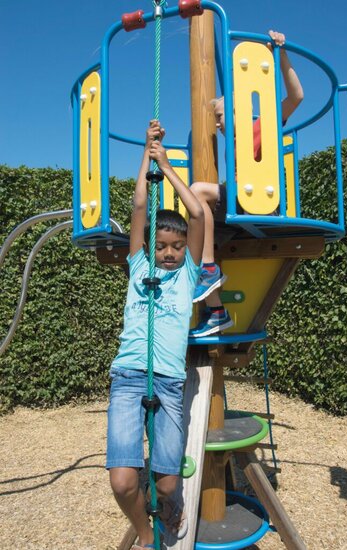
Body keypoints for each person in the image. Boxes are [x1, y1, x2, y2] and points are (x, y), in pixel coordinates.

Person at [106, 120, 204, 549]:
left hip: (167, 380)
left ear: (185, 250)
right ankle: (148, 536)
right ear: (150, 244)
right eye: (161, 245)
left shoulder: (187, 276)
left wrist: (167, 164)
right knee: (124, 482)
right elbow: (139, 208)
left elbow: (197, 214)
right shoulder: (139, 267)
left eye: (176, 247)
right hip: (128, 378)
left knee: (166, 487)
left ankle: (170, 508)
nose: (168, 253)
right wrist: (147, 153)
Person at [189, 30, 304, 338]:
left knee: (198, 191)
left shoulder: (260, 127)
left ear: (239, 112)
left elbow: (296, 97)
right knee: (197, 239)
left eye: (220, 115)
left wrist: (280, 55)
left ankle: (210, 269)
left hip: (262, 204)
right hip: (242, 206)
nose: (216, 123)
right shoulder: (234, 145)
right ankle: (216, 312)